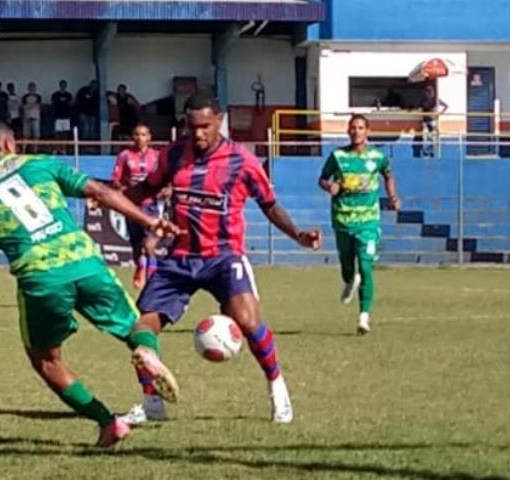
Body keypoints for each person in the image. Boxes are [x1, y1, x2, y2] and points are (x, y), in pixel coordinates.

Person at [0, 119, 181, 447]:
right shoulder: (40, 164)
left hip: (40, 278)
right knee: (136, 326)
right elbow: (100, 191)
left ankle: (108, 423)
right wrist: (149, 220)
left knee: (46, 360)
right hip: (85, 263)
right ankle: (146, 350)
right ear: (8, 144)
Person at [124, 93, 321, 425]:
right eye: (191, 126)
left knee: (247, 320)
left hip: (223, 256)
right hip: (179, 258)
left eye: (205, 126)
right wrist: (109, 198)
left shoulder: (241, 161)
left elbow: (269, 204)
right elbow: (146, 189)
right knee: (141, 329)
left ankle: (277, 388)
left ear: (219, 121)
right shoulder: (173, 155)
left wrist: (298, 235)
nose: (198, 133)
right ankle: (152, 401)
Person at [318, 114, 401, 335]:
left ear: (368, 131)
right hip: (343, 219)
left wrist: (392, 196)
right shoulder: (338, 157)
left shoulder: (378, 156)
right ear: (348, 131)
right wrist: (330, 187)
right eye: (353, 127)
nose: (357, 131)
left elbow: (388, 175)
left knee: (365, 266)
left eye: (361, 127)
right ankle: (348, 280)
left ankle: (364, 316)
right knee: (348, 265)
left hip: (368, 222)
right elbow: (322, 178)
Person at [111, 122, 164, 289]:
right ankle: (140, 267)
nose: (140, 138)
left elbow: (166, 177)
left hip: (151, 205)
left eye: (143, 135)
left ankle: (152, 279)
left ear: (149, 138)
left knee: (149, 245)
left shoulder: (157, 156)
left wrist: (165, 189)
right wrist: (124, 190)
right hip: (132, 207)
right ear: (132, 137)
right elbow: (116, 180)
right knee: (136, 247)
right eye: (136, 134)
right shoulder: (125, 155)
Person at [419, 84, 448, 158]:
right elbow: (420, 108)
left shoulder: (436, 100)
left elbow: (446, 106)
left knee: (432, 137)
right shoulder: (423, 100)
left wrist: (439, 114)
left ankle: (431, 152)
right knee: (425, 136)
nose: (428, 93)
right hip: (425, 121)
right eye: (427, 92)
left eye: (429, 92)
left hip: (432, 120)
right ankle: (426, 152)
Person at [22, 82, 42, 151]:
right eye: (30, 88)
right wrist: (32, 105)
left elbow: (38, 106)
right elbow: (24, 106)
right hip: (27, 118)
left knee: (36, 135)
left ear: (35, 89)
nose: (32, 89)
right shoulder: (25, 97)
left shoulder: (38, 97)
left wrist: (30, 105)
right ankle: (23, 150)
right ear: (28, 89)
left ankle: (35, 150)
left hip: (35, 118)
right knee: (25, 135)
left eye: (33, 88)